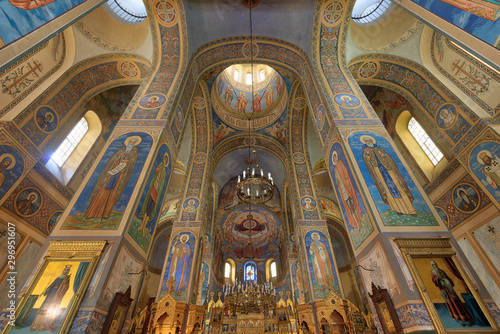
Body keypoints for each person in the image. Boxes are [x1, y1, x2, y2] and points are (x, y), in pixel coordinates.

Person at [84, 136, 139, 219]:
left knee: (113, 193)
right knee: (102, 190)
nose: (131, 143)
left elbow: (133, 160)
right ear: (128, 142)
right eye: (131, 141)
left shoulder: (135, 151)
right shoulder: (121, 149)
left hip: (121, 175)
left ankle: (105, 214)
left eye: (134, 142)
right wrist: (118, 158)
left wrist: (128, 161)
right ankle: (91, 213)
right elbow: (112, 160)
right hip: (111, 173)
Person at [361, 135, 417, 216]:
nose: (368, 142)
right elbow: (367, 160)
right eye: (366, 141)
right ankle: (398, 209)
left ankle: (411, 210)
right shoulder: (366, 150)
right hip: (378, 171)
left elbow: (387, 157)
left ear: (372, 141)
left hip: (388, 169)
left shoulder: (379, 148)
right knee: (387, 189)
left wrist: (384, 156)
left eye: (369, 141)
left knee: (399, 187)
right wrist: (367, 155)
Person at [430, 261, 473, 326]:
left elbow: (448, 278)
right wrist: (438, 278)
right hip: (444, 290)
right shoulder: (433, 272)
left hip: (450, 290)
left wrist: (446, 280)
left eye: (435, 264)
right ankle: (460, 321)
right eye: (433, 265)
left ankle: (466, 319)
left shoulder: (441, 271)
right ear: (432, 266)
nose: (435, 266)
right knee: (452, 305)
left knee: (457, 303)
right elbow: (434, 280)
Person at [30, 265, 72, 332]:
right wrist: (46, 291)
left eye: (66, 271)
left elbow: (66, 287)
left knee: (51, 308)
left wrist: (64, 284)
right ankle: (37, 325)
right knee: (44, 307)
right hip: (50, 294)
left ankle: (44, 325)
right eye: (64, 270)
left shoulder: (67, 278)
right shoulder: (58, 278)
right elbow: (52, 285)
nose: (64, 271)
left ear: (67, 272)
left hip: (57, 294)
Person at [331, 151, 363, 232]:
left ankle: (360, 221)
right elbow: (337, 181)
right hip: (342, 190)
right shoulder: (335, 169)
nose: (335, 159)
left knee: (354, 205)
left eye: (335, 157)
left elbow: (345, 174)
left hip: (347, 187)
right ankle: (356, 223)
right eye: (333, 158)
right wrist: (337, 180)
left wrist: (347, 182)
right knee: (349, 207)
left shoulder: (340, 163)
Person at [138, 153, 168, 236]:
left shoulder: (165, 172)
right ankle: (142, 225)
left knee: (150, 209)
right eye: (164, 160)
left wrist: (161, 176)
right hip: (153, 188)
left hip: (157, 191)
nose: (164, 161)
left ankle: (144, 226)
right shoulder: (160, 165)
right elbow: (156, 170)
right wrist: (159, 169)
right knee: (147, 207)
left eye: (166, 161)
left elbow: (162, 182)